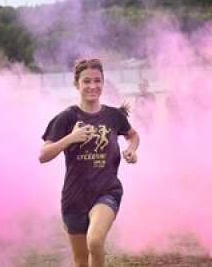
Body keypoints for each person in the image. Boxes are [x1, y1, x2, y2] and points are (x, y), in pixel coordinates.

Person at [39, 58, 140, 267]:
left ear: (103, 83)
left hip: (106, 191)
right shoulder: (66, 118)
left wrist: (131, 149)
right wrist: (70, 138)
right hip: (74, 197)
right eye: (86, 81)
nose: (92, 86)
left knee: (94, 240)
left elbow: (133, 135)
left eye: (97, 81)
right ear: (77, 84)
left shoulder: (114, 116)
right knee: (81, 260)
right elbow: (43, 155)